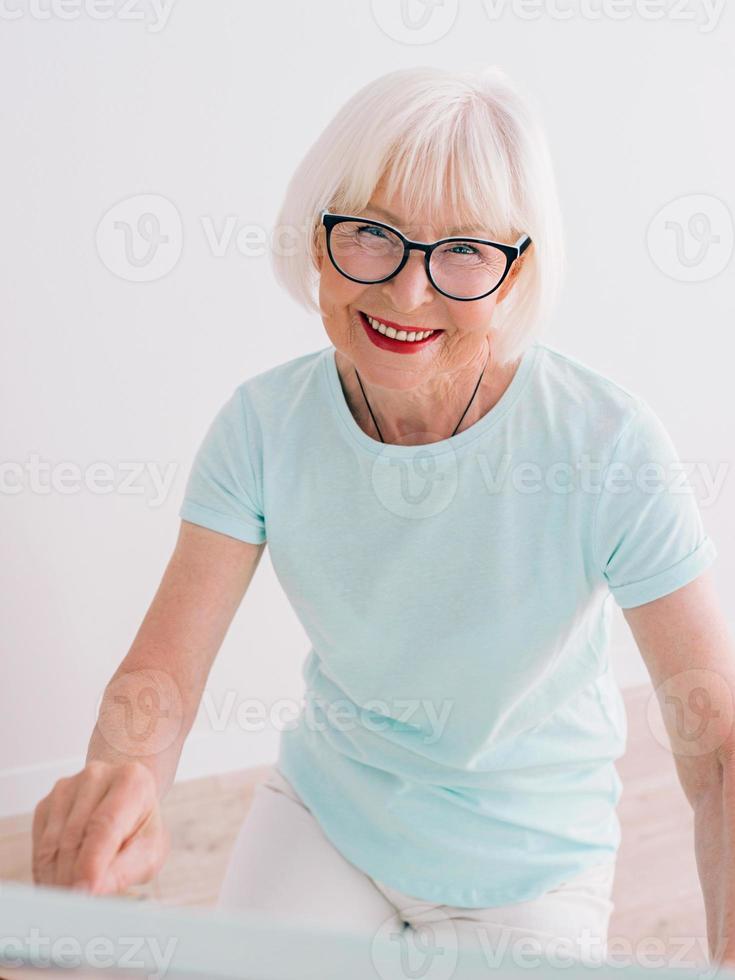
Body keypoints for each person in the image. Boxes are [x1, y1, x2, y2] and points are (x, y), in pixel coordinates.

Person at [32, 66, 733, 970]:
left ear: (518, 272)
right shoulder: (261, 426)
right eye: (370, 234)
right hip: (331, 817)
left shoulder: (606, 443)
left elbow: (714, 745)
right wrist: (118, 783)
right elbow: (161, 674)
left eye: (465, 251)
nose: (406, 295)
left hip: (530, 859)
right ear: (316, 239)